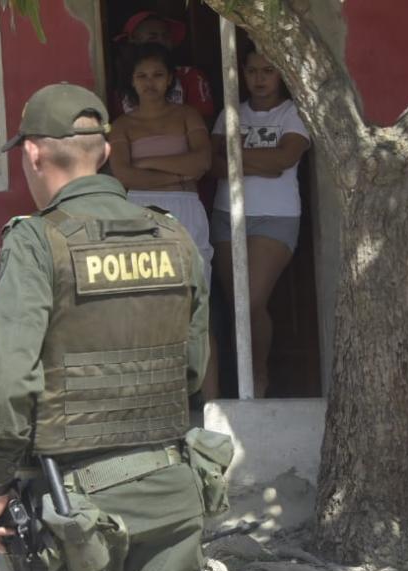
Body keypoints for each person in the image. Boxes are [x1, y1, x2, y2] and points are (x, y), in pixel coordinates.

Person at [0, 83, 214, 571]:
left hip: (79, 506)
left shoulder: (36, 240)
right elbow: (192, 367)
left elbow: (12, 378)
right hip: (174, 487)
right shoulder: (172, 234)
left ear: (33, 153)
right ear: (104, 152)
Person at [209, 48, 311, 398]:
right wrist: (262, 162)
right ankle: (242, 378)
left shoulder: (293, 113)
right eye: (252, 71)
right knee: (235, 302)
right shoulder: (230, 114)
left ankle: (258, 375)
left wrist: (237, 156)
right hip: (227, 215)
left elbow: (285, 158)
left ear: (280, 74)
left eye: (268, 70)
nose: (259, 78)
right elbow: (217, 167)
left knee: (250, 301)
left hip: (277, 216)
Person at [108, 43, 213, 286]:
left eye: (158, 75)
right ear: (131, 81)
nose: (149, 82)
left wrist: (147, 162)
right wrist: (180, 175)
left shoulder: (187, 115)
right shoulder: (122, 125)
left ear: (170, 79)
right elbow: (124, 175)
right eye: (141, 76)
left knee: (193, 285)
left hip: (185, 206)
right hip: (140, 209)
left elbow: (202, 161)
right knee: (147, 289)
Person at [112, 10, 215, 121]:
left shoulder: (190, 76)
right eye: (153, 37)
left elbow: (204, 122)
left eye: (166, 36)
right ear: (133, 41)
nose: (161, 41)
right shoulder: (120, 86)